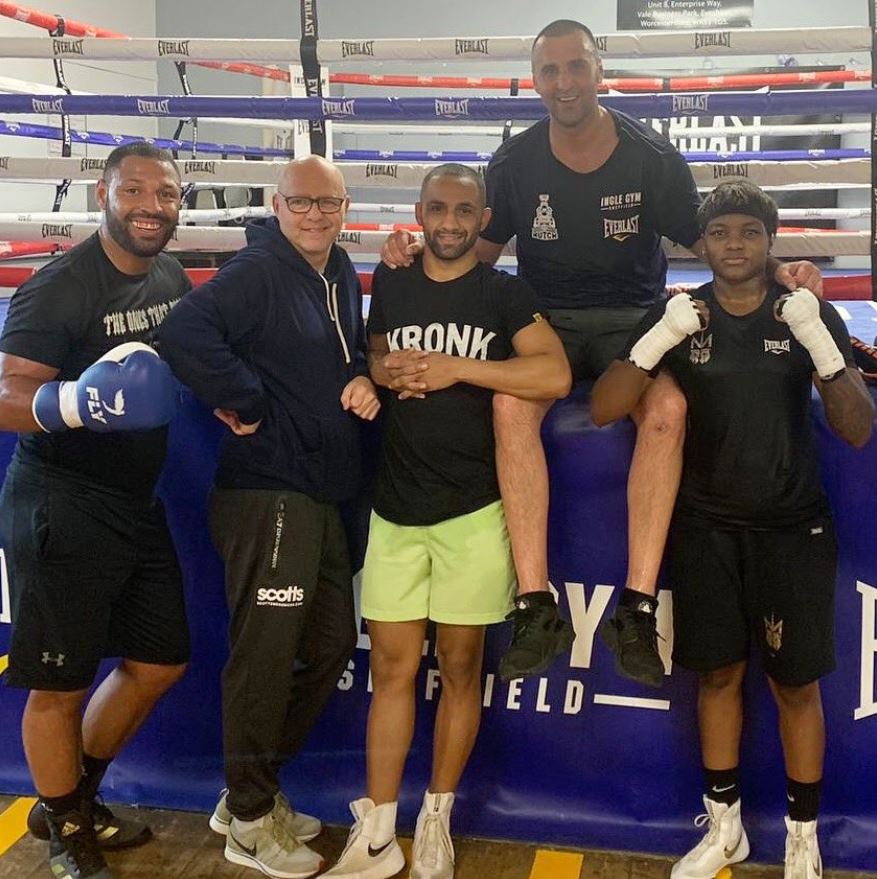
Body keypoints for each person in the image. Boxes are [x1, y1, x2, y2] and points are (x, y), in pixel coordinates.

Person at [381, 19, 822, 687]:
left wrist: (784, 271)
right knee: (507, 406)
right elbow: (474, 252)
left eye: (574, 67)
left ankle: (636, 607)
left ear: (597, 71)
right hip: (542, 320)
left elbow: (718, 243)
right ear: (534, 80)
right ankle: (534, 602)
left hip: (631, 324)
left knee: (668, 410)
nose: (563, 82)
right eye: (550, 71)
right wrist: (417, 251)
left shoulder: (650, 156)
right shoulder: (514, 162)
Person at [591, 180, 874, 879]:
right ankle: (724, 828)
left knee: (795, 685)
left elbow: (856, 427)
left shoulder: (802, 311)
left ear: (769, 240)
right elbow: (604, 407)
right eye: (721, 233)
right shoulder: (684, 314)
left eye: (749, 231)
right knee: (716, 676)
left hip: (790, 528)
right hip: (707, 528)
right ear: (703, 243)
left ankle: (801, 835)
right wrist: (659, 338)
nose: (735, 245)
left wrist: (818, 339)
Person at [324, 163, 570, 879]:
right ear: (419, 213)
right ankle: (374, 828)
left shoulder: (502, 290)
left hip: (472, 511)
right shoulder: (391, 277)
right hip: (396, 509)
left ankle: (435, 813)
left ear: (483, 216)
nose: (451, 222)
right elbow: (375, 350)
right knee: (393, 670)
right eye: (438, 208)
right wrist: (379, 372)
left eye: (465, 210)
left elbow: (552, 374)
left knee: (460, 669)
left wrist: (464, 370)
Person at [160, 155, 379, 879]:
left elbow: (338, 353)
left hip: (320, 491)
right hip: (269, 491)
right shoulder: (258, 268)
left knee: (328, 643)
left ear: (345, 206)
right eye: (301, 202)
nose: (315, 214)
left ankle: (246, 791)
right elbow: (186, 332)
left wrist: (355, 378)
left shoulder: (337, 266)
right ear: (277, 205)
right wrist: (246, 399)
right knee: (262, 658)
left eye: (328, 202)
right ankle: (250, 821)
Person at [0, 142, 190, 879]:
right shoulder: (62, 287)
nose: (151, 206)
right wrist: (76, 402)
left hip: (134, 503)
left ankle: (73, 794)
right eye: (135, 191)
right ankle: (66, 829)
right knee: (59, 681)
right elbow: (7, 395)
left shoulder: (169, 273)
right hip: (61, 500)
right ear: (104, 195)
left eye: (166, 194)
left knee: (160, 659)